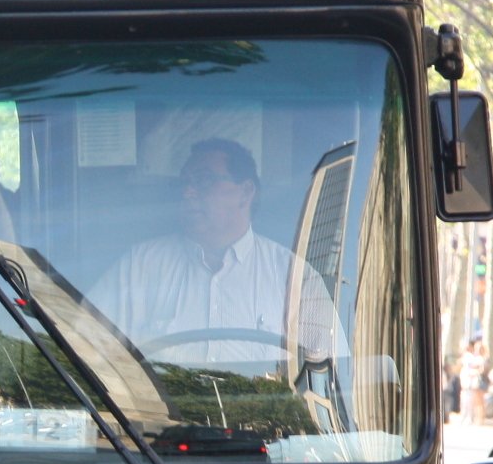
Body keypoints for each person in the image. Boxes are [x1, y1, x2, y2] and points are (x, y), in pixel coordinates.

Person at [98, 138, 344, 367]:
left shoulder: (295, 277)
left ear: (246, 192)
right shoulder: (140, 266)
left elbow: (331, 374)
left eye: (203, 180)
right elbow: (86, 345)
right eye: (184, 183)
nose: (187, 192)